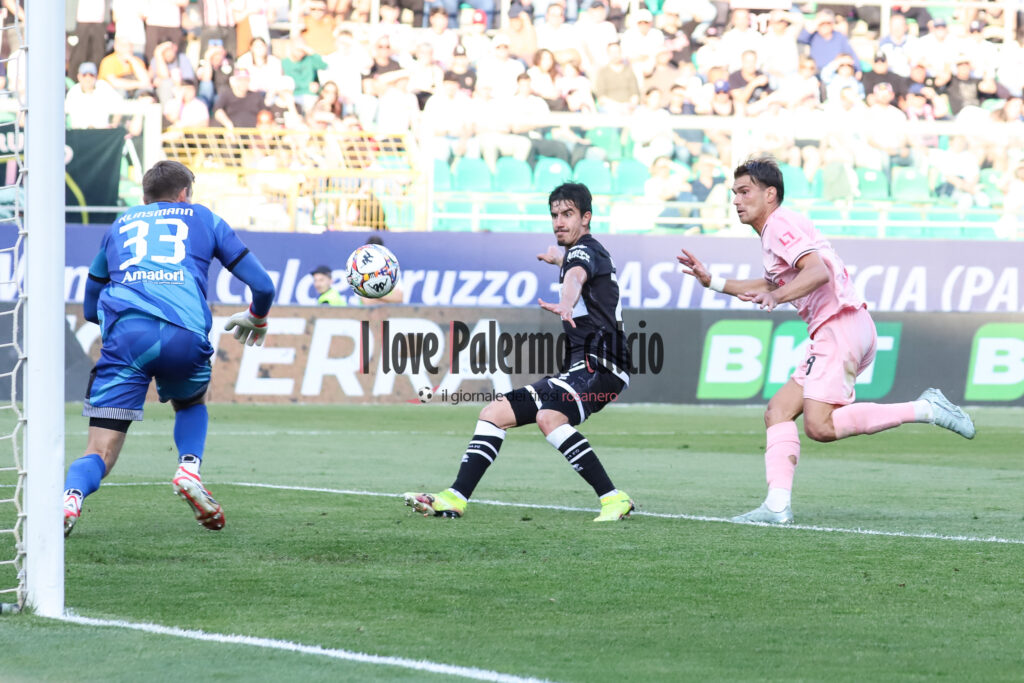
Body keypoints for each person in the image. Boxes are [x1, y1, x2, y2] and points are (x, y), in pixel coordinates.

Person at [676, 156, 976, 525]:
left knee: (820, 426)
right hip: (842, 328)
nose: (736, 200)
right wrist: (714, 282)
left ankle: (926, 409)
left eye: (744, 191)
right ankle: (775, 506)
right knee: (778, 412)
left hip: (839, 327)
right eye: (734, 193)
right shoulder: (778, 231)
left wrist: (778, 298)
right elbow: (772, 283)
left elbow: (816, 273)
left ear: (770, 194)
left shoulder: (778, 224)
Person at [62, 160, 276, 537]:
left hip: (127, 340)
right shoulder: (204, 219)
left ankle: (71, 497)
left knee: (99, 451)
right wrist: (257, 316)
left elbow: (90, 305)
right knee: (191, 402)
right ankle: (189, 468)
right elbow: (263, 286)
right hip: (184, 332)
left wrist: (120, 328)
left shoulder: (121, 225)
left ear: (145, 197)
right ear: (184, 194)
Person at [404, 182, 635, 522]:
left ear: (586, 218)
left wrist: (566, 302)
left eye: (568, 214)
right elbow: (571, 265)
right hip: (580, 368)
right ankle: (455, 497)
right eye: (555, 215)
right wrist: (558, 259)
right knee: (493, 413)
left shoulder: (584, 252)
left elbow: (575, 275)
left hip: (602, 365)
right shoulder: (580, 251)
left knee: (549, 418)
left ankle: (613, 498)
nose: (559, 221)